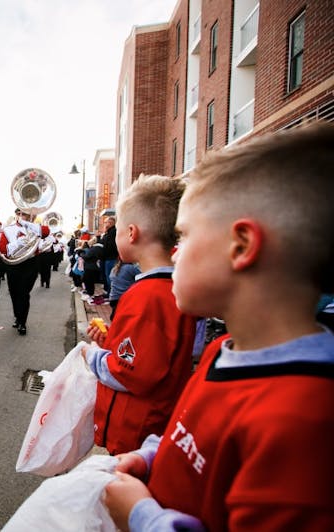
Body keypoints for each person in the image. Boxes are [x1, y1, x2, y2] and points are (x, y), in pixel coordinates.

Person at [103, 123, 334, 531]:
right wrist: (153, 455)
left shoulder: (304, 419)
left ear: (241, 247)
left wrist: (142, 518)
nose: (174, 251)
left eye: (184, 235)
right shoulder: (222, 349)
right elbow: (188, 433)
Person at [83, 174, 197, 456]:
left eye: (118, 229)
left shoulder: (145, 295)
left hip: (136, 433)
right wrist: (112, 340)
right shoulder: (174, 289)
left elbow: (129, 375)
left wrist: (91, 355)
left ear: (131, 233)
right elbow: (153, 353)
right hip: (155, 425)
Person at [0, 208, 50, 336]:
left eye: (27, 214)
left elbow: (46, 232)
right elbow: (2, 249)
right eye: (21, 214)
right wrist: (17, 243)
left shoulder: (35, 228)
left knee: (23, 293)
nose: (24, 216)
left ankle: (22, 322)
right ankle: (18, 316)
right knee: (14, 293)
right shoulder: (8, 229)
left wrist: (27, 224)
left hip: (30, 264)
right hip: (14, 264)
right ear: (17, 214)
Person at [99, 216, 118, 296]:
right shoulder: (108, 233)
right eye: (105, 222)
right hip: (106, 258)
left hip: (111, 258)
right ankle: (107, 291)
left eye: (107, 222)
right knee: (106, 276)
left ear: (112, 223)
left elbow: (109, 246)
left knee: (109, 277)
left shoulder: (113, 232)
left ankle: (110, 293)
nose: (106, 224)